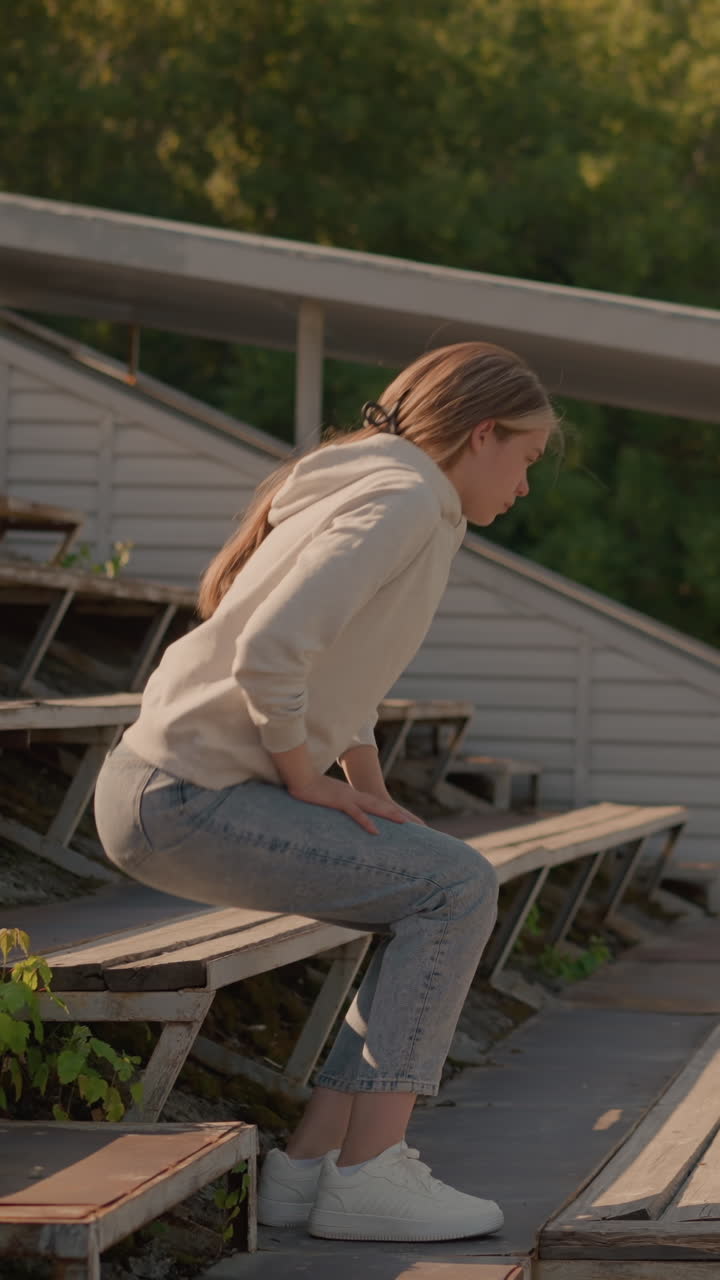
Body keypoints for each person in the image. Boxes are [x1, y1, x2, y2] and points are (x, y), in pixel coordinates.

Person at [94, 340, 559, 1243]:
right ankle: (372, 1174)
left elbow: (339, 670)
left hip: (171, 790)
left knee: (427, 880)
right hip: (181, 795)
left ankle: (312, 1168)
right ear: (483, 434)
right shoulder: (404, 499)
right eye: (527, 461)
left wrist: (367, 787)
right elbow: (271, 648)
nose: (526, 486)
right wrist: (306, 779)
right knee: (455, 885)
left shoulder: (382, 487)